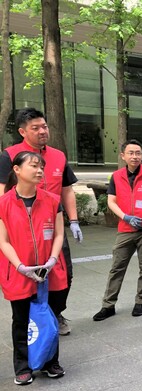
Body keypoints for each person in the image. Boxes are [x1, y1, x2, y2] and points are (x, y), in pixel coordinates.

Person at [0, 108, 82, 336]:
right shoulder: (10, 155)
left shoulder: (58, 156)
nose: (42, 131)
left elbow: (67, 190)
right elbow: (2, 191)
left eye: (44, 126)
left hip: (52, 225)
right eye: (35, 128)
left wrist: (74, 220)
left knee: (63, 274)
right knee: (24, 275)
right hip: (20, 226)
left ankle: (54, 312)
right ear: (22, 132)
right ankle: (30, 320)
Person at [0, 151, 67, 385]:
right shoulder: (4, 203)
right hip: (18, 272)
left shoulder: (52, 200)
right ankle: (23, 366)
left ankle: (50, 362)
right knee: (21, 320)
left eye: (41, 167)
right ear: (17, 170)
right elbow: (3, 241)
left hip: (49, 271)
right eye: (34, 166)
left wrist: (52, 260)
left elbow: (59, 234)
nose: (39, 171)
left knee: (49, 317)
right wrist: (20, 266)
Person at [93, 139, 142, 321]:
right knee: (117, 268)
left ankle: (140, 302)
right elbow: (111, 201)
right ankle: (108, 305)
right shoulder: (117, 176)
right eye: (131, 153)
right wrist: (125, 217)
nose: (135, 156)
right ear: (123, 156)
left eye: (138, 153)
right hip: (125, 229)